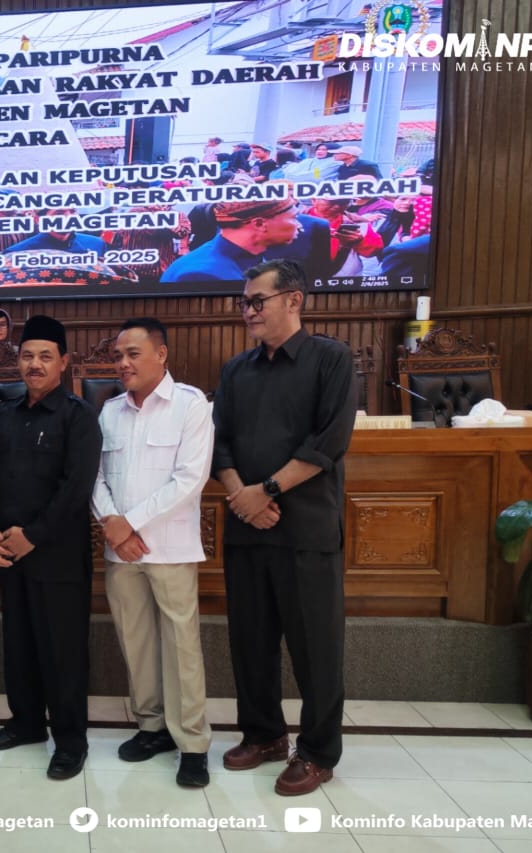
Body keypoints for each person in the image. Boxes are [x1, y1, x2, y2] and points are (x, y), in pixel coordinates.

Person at [211, 259, 357, 797]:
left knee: (315, 647)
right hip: (247, 528)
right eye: (244, 303)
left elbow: (329, 441)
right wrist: (242, 497)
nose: (248, 311)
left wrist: (266, 491)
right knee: (250, 642)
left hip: (306, 529)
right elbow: (218, 444)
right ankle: (264, 734)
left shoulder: (331, 359)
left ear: (293, 300)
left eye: (258, 301)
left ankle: (317, 752)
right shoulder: (236, 370)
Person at [0, 315, 103, 781]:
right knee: (19, 643)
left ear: (64, 362)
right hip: (8, 553)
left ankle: (70, 740)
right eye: (27, 356)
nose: (35, 364)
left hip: (57, 555)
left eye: (46, 356)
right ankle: (26, 723)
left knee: (63, 649)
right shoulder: (5, 413)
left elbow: (76, 488)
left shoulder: (79, 416)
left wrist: (33, 535)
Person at [91, 317, 214, 788]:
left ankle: (193, 744)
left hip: (170, 548)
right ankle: (152, 727)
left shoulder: (190, 405)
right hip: (120, 551)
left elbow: (190, 479)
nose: (122, 363)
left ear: (161, 354)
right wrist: (112, 524)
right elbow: (93, 477)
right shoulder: (109, 411)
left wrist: (130, 522)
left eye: (132, 354)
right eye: (117, 356)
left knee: (182, 647)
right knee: (137, 642)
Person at [160, 199, 301, 284]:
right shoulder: (203, 275)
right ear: (259, 224)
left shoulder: (249, 257)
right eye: (294, 218)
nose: (299, 225)